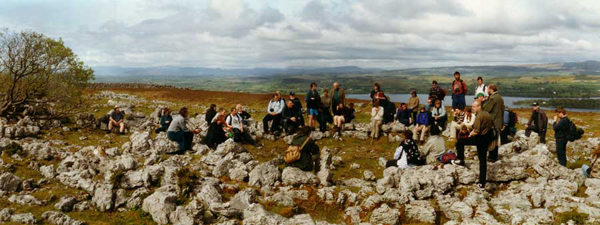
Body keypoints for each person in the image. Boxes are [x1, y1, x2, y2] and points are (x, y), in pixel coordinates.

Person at [453, 100, 494, 188]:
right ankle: (482, 182)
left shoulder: (479, 115)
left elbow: (477, 131)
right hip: (486, 139)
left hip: (480, 139)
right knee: (482, 160)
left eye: (474, 107)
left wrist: (471, 133)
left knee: (460, 141)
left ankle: (461, 160)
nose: (472, 109)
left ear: (479, 106)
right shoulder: (487, 114)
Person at [482, 84, 504, 162]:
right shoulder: (500, 98)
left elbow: (485, 108)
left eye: (488, 89)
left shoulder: (492, 98)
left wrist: (484, 101)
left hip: (493, 122)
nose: (487, 91)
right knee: (495, 139)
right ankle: (494, 157)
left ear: (491, 89)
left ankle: (492, 157)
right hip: (499, 122)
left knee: (491, 140)